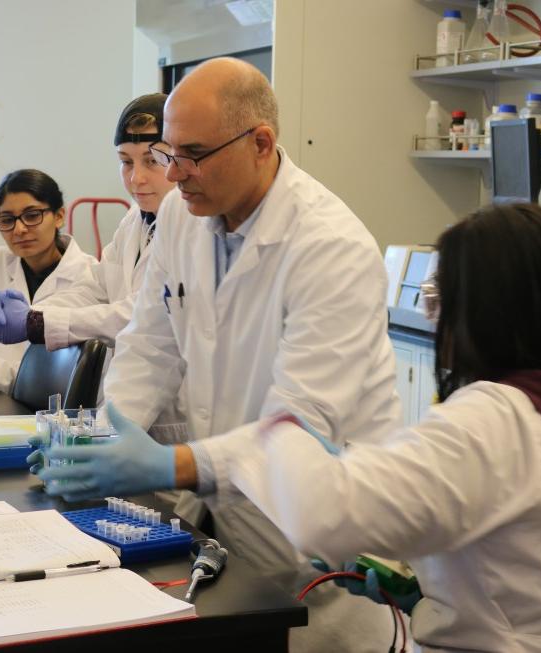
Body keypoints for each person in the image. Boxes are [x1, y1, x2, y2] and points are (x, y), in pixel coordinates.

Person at [39, 58, 401, 653]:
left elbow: (299, 427)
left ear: (261, 143)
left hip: (321, 531)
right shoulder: (184, 214)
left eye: (193, 154)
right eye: (166, 153)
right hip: (231, 523)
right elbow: (151, 343)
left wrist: (165, 464)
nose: (174, 174)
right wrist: (103, 436)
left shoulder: (331, 248)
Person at [211, 204, 541, 652]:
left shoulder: (497, 419)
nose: (435, 321)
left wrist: (276, 430)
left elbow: (323, 516)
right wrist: (433, 596)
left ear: (479, 312)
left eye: (438, 302)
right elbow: (534, 567)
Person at [0, 93, 176, 354]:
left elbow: (146, 313)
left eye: (152, 160)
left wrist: (36, 322)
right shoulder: (134, 220)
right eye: (125, 162)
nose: (136, 178)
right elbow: (95, 290)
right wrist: (33, 313)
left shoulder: (193, 226)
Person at [0, 169, 93, 392]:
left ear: (58, 216)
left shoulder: (89, 274)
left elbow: (65, 371)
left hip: (59, 411)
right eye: (7, 220)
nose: (19, 229)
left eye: (32, 215)